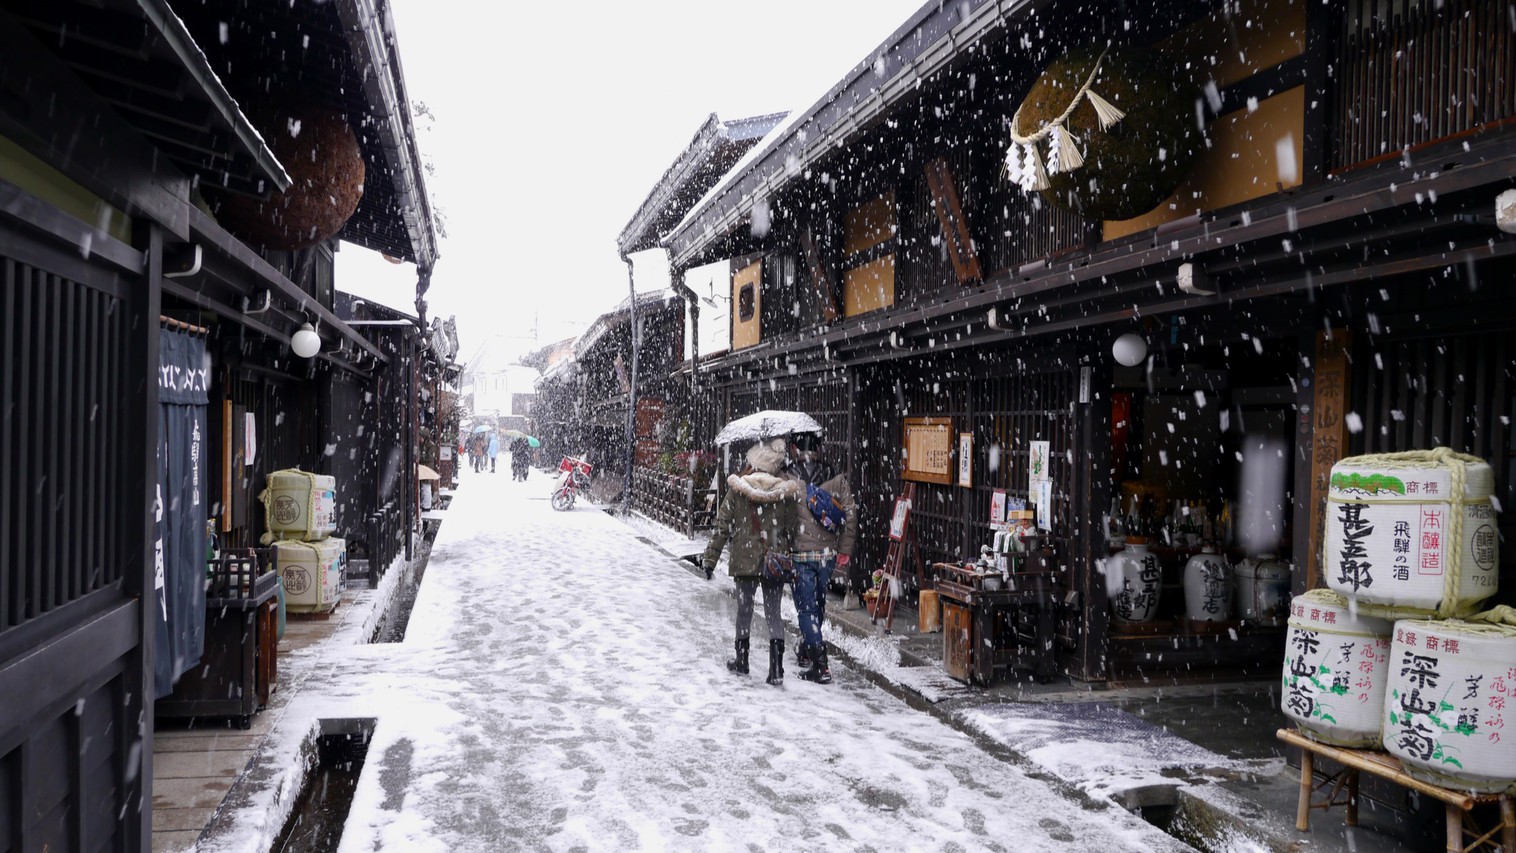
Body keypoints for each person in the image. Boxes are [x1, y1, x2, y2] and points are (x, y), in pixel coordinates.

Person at [701, 436, 801, 686]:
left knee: (744, 611)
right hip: (773, 562)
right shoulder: (785, 493)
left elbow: (722, 526)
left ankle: (742, 660)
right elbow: (791, 530)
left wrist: (710, 559)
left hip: (744, 558)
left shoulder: (738, 490)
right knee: (773, 613)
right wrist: (788, 555)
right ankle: (776, 669)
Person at [784, 432, 858, 684]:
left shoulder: (786, 477)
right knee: (818, 604)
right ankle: (806, 649)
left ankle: (820, 665)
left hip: (800, 554)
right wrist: (845, 550)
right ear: (818, 448)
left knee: (806, 609)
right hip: (827, 555)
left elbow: (779, 515)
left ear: (795, 448)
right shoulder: (835, 476)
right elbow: (849, 513)